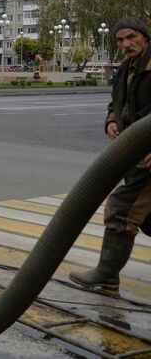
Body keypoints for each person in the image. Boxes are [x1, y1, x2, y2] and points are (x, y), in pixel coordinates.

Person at [70, 17, 151, 292]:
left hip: (148, 162)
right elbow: (115, 102)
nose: (126, 44)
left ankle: (106, 274)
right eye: (120, 40)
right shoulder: (127, 68)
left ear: (145, 37)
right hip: (134, 157)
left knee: (120, 210)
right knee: (148, 219)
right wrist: (112, 120)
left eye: (131, 37)